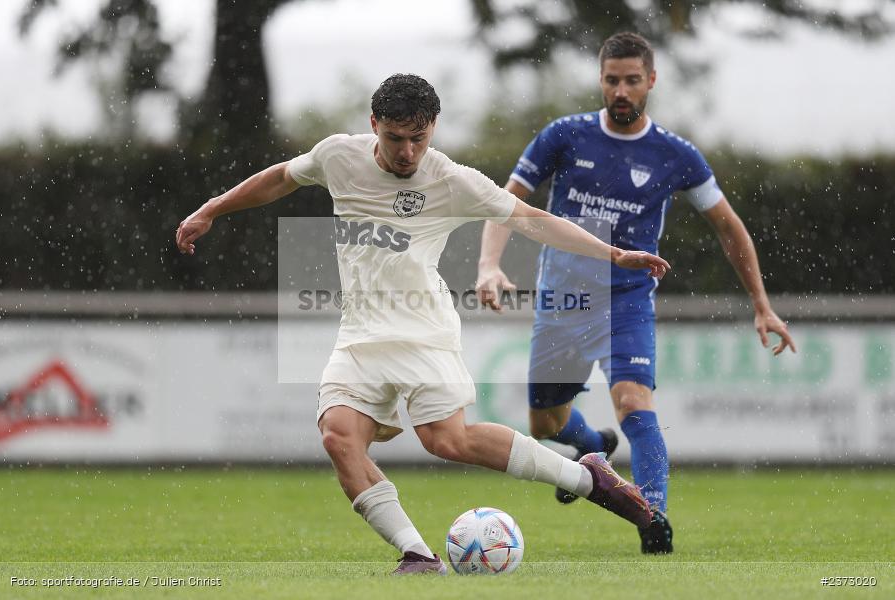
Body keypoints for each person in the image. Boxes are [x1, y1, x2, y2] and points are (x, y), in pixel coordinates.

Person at [176, 74, 671, 574]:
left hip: (422, 330)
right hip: (359, 335)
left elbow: (530, 219)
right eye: (395, 138)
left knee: (447, 442)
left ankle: (588, 478)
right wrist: (213, 209)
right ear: (374, 125)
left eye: (419, 138)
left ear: (434, 127)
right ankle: (417, 554)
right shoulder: (338, 156)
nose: (408, 152)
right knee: (338, 436)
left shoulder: (452, 180)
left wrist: (611, 252)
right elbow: (282, 177)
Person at [475, 33, 796, 554]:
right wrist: (489, 264)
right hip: (563, 299)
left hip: (626, 300)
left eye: (631, 80)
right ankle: (591, 446)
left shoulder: (676, 155)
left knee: (634, 403)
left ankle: (652, 516)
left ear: (651, 81)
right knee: (545, 422)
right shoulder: (564, 135)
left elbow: (729, 227)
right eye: (611, 80)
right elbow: (507, 202)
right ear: (600, 81)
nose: (620, 90)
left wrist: (761, 303)